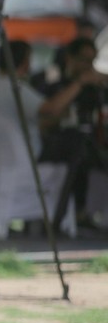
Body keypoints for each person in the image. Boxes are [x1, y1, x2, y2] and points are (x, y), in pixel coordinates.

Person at [34, 36, 108, 229]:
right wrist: (80, 83)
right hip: (57, 143)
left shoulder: (96, 86)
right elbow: (46, 116)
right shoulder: (52, 80)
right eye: (84, 60)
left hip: (93, 141)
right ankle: (77, 214)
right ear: (70, 58)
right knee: (79, 147)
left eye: (91, 61)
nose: (88, 66)